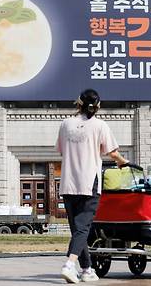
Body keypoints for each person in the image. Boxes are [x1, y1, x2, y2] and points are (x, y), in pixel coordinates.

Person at [56, 89, 129, 284]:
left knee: (78, 230)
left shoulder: (65, 124)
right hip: (89, 183)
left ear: (78, 104)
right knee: (83, 229)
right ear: (97, 107)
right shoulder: (100, 125)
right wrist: (124, 162)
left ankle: (87, 269)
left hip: (68, 184)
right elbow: (112, 154)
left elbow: (62, 151)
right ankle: (69, 265)